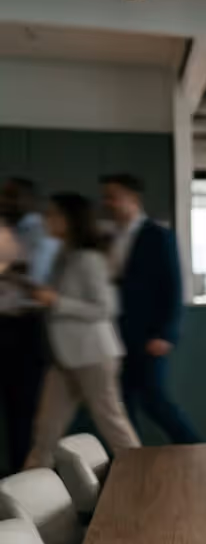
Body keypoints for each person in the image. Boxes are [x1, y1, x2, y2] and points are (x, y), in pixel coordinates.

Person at [24, 193, 141, 469]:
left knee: (113, 425)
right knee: (46, 431)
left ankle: (145, 482)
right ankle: (26, 501)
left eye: (53, 214)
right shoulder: (65, 255)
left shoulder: (89, 258)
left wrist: (56, 301)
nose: (46, 220)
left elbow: (105, 307)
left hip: (93, 355)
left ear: (70, 219)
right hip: (65, 357)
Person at [101, 173, 202, 444]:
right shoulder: (110, 238)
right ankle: (132, 460)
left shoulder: (158, 236)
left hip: (149, 335)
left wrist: (167, 333)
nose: (107, 202)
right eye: (106, 197)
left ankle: (195, 445)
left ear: (132, 199)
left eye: (113, 196)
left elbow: (173, 286)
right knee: (123, 402)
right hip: (115, 334)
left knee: (153, 399)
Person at [0, 178, 56, 473]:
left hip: (26, 327)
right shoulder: (5, 229)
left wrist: (9, 268)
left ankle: (25, 479)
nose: (5, 202)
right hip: (4, 324)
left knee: (25, 409)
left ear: (29, 200)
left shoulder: (41, 232)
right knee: (11, 410)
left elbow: (32, 275)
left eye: (12, 196)